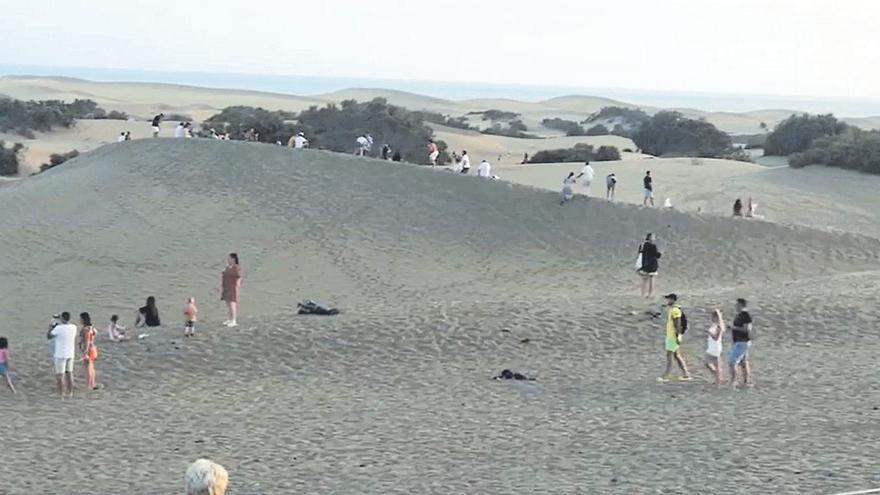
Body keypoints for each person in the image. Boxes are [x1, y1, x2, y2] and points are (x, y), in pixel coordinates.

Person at [47, 312, 77, 398]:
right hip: (70, 353)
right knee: (69, 373)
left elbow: (49, 336)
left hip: (60, 355)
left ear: (62, 318)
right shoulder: (73, 327)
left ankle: (61, 394)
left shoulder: (58, 328)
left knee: (60, 376)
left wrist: (51, 326)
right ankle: (70, 393)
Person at [660, 293, 690, 381]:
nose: (667, 301)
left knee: (669, 355)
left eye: (668, 299)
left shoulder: (675, 311)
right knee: (676, 355)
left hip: (672, 336)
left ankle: (667, 374)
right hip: (671, 335)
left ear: (673, 300)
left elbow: (678, 324)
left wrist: (678, 335)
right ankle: (686, 373)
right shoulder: (673, 310)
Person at [729, 298, 754, 387]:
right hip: (739, 341)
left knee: (732, 362)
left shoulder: (745, 315)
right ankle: (746, 381)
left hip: (743, 341)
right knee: (743, 362)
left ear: (741, 305)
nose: (735, 306)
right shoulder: (739, 315)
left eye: (737, 305)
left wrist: (733, 328)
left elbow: (747, 329)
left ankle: (734, 381)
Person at [637, 233, 661, 298]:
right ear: (650, 238)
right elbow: (656, 255)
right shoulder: (653, 246)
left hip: (644, 264)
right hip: (652, 265)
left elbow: (640, 252)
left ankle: (643, 294)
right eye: (653, 237)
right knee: (651, 280)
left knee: (644, 280)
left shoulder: (642, 245)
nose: (654, 238)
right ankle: (650, 294)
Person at [221, 253, 242, 327]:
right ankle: (230, 319)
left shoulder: (236, 268)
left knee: (232, 304)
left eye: (229, 258)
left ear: (233, 259)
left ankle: (233, 320)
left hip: (232, 287)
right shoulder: (228, 267)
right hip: (226, 287)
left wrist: (237, 287)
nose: (228, 259)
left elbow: (239, 277)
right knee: (228, 303)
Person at [705, 308, 725, 385]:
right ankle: (717, 377)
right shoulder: (715, 325)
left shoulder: (719, 327)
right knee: (708, 363)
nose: (711, 318)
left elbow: (716, 338)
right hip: (712, 346)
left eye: (713, 317)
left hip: (715, 347)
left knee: (715, 364)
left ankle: (718, 379)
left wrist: (709, 333)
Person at [79, 312, 98, 390]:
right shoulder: (92, 328)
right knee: (92, 367)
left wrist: (85, 353)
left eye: (80, 318)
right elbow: (95, 334)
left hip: (88, 350)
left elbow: (87, 341)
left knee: (88, 369)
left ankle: (89, 386)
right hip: (93, 349)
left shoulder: (85, 329)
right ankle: (93, 384)